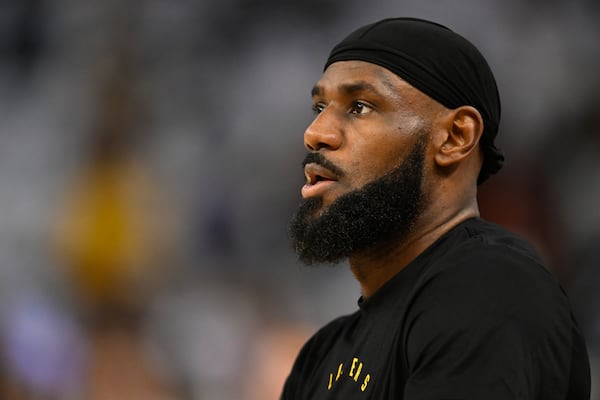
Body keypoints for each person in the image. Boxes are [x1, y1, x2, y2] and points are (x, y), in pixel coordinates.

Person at [282, 17, 591, 399]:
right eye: (319, 107)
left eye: (359, 107)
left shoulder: (489, 287)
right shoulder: (321, 356)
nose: (315, 133)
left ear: (455, 137)